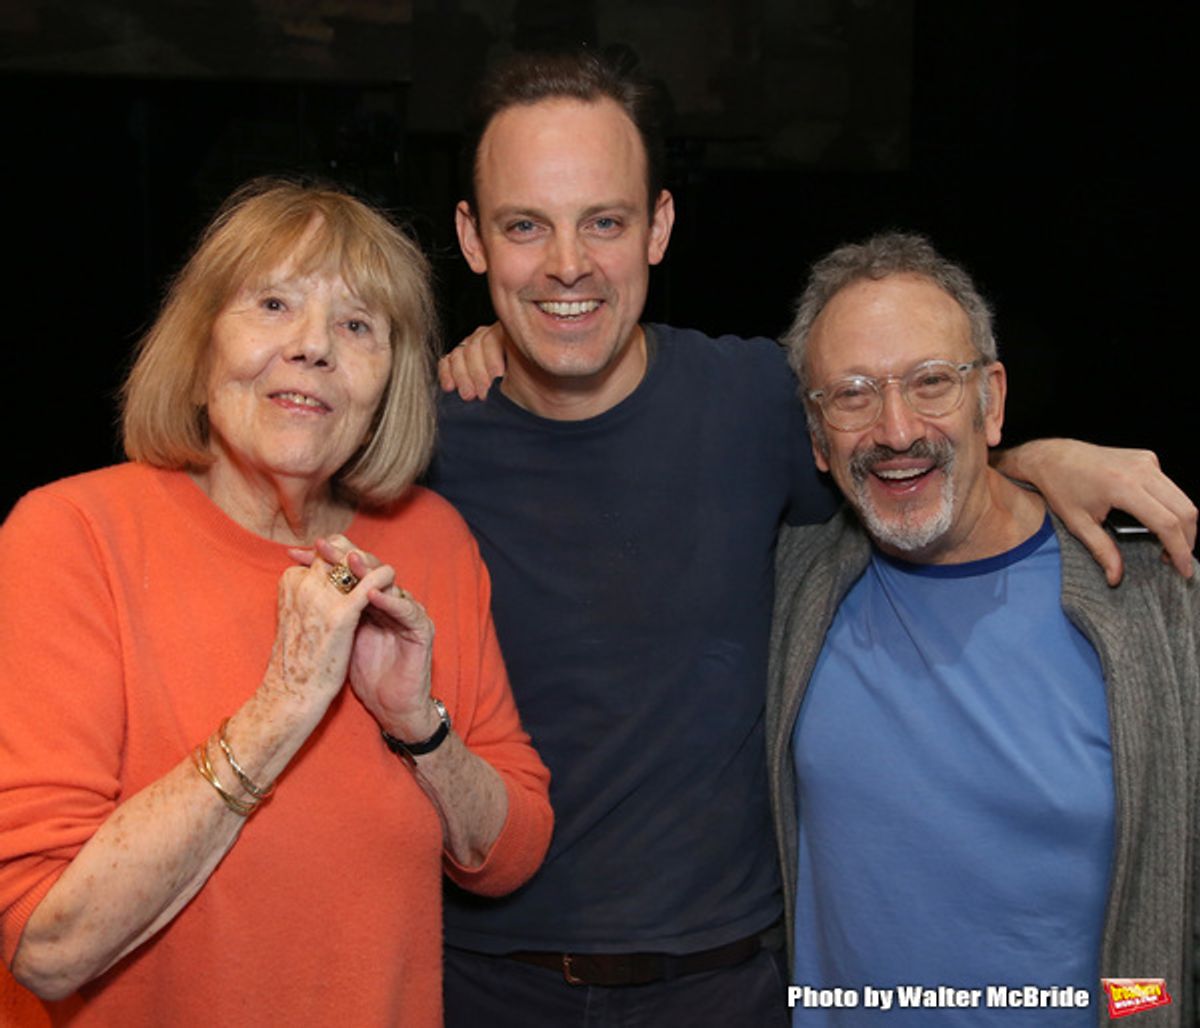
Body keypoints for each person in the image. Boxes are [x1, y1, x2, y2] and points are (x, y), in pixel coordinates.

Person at [433, 52, 1196, 1027]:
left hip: (724, 985)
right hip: (487, 983)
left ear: (659, 226)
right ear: (473, 237)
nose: (568, 262)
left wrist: (1043, 457)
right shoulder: (421, 435)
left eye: (605, 220)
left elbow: (906, 451)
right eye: (524, 225)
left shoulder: (754, 403)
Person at [0, 179, 553, 1027]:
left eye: (357, 326)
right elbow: (46, 945)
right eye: (273, 303)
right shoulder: (72, 536)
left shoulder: (430, 539)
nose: (313, 348)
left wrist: (418, 725)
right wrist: (282, 708)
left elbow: (508, 853)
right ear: (199, 346)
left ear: (387, 386)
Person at [767, 232, 1197, 1027]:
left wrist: (1149, 1011)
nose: (896, 429)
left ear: (991, 399)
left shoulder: (1153, 606)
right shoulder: (789, 585)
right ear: (817, 434)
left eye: (932, 382)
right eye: (853, 394)